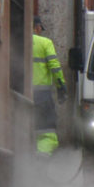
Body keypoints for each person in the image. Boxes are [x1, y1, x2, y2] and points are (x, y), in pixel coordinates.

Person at [32, 16, 67, 156]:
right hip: (42, 97)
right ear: (37, 27)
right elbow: (55, 67)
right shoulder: (45, 43)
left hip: (20, 94)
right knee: (46, 132)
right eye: (40, 28)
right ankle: (42, 162)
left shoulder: (17, 41)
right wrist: (61, 87)